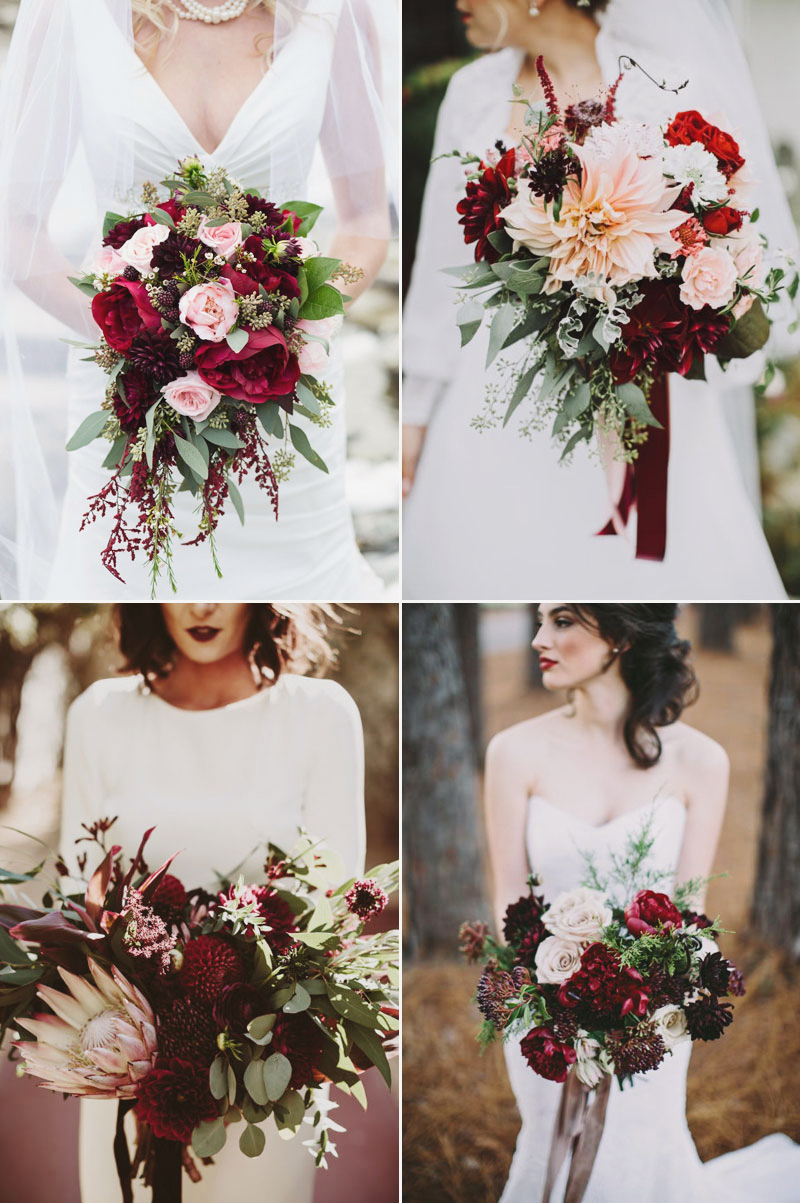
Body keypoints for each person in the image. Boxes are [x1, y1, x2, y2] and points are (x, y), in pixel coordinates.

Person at [402, 0, 798, 599]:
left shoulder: (670, 79)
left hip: (649, 385)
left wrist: (674, 287)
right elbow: (440, 271)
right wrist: (415, 412)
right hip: (497, 384)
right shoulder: (472, 92)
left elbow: (740, 229)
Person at [0, 0, 391, 599]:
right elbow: (18, 231)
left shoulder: (332, 12)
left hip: (277, 379)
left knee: (300, 586)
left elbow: (365, 220)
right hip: (127, 388)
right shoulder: (69, 13)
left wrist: (292, 325)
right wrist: (137, 340)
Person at [484, 603, 798, 1202]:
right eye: (543, 618)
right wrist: (547, 1000)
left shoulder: (700, 761)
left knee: (637, 1157)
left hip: (651, 1018)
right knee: (549, 1149)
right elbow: (508, 899)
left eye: (564, 622)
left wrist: (647, 1003)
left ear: (622, 635)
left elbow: (689, 912)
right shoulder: (513, 752)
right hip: (542, 1011)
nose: (537, 638)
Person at [59, 601, 366, 1202]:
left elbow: (332, 913)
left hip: (264, 1077)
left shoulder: (322, 715)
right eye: (185, 585)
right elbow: (80, 898)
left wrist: (222, 1074)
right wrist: (152, 1069)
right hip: (125, 1072)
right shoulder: (98, 713)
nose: (202, 606)